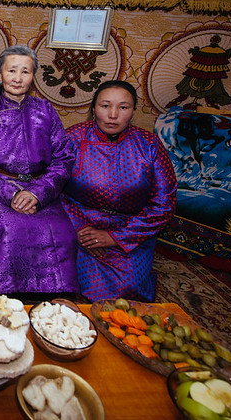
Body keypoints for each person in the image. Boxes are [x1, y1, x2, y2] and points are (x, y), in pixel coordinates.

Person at [0, 45, 78, 299]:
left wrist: (36, 193)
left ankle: (53, 301)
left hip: (41, 189)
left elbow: (63, 159)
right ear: (0, 75)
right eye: (11, 70)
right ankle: (5, 298)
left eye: (25, 71)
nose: (17, 77)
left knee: (61, 231)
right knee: (9, 227)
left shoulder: (46, 111)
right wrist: (10, 193)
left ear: (33, 76)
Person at [62, 80, 177, 302]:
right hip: (81, 225)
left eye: (123, 107)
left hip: (131, 230)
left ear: (133, 111)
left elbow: (164, 204)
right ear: (93, 108)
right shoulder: (73, 139)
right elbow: (54, 188)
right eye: (105, 106)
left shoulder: (150, 145)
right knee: (67, 281)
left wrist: (114, 237)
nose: (113, 115)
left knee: (127, 291)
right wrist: (81, 230)